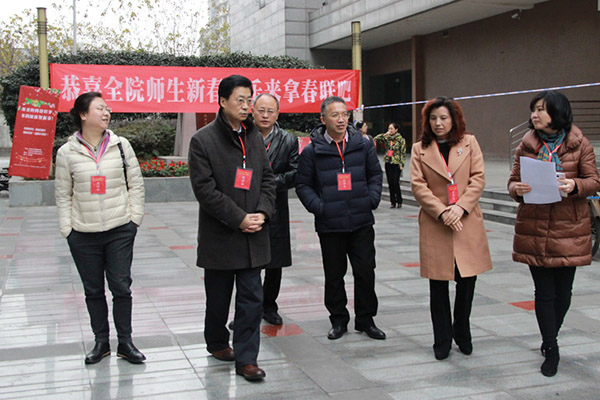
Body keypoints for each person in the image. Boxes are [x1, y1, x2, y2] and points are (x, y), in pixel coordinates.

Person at [188, 75, 276, 381]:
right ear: (222, 101)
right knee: (218, 299)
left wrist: (262, 213)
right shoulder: (203, 140)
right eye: (240, 100)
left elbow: (267, 179)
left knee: (252, 300)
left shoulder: (254, 137)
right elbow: (205, 190)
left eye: (249, 100)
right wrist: (239, 217)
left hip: (254, 237)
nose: (246, 106)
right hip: (221, 237)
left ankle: (247, 359)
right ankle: (216, 341)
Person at [508, 90, 600, 377]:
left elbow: (593, 180)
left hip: (568, 228)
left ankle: (551, 334)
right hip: (534, 226)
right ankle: (551, 346)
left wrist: (575, 186)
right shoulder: (526, 144)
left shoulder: (580, 144)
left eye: (541, 109)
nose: (534, 115)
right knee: (544, 292)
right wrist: (517, 190)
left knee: (564, 293)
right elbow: (512, 182)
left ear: (557, 113)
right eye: (534, 109)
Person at [55, 92, 146, 365]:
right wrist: (68, 230)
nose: (106, 113)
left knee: (121, 287)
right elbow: (62, 194)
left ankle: (126, 343)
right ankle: (101, 342)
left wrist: (134, 220)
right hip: (83, 234)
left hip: (119, 229)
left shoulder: (121, 146)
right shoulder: (67, 152)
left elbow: (136, 184)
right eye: (99, 109)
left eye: (107, 109)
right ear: (83, 115)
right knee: (93, 290)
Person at [296, 96, 385, 341]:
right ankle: (338, 320)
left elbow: (375, 174)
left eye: (345, 114)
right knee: (334, 276)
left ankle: (366, 320)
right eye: (335, 115)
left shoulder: (363, 145)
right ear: (323, 119)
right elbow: (303, 185)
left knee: (365, 272)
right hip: (330, 224)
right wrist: (320, 208)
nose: (341, 119)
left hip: (361, 221)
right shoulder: (312, 151)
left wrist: (371, 199)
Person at [410, 96, 492, 361]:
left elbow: (478, 178)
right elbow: (418, 186)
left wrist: (460, 207)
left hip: (465, 221)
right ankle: (442, 339)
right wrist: (443, 211)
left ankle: (462, 331)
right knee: (438, 285)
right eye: (433, 118)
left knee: (467, 281)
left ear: (454, 119)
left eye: (443, 118)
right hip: (437, 222)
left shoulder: (469, 142)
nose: (438, 123)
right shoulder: (419, 149)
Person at [252, 93, 299, 325]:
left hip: (276, 208)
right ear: (253, 111)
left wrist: (267, 182)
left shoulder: (288, 140)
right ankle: (248, 309)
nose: (265, 115)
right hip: (248, 207)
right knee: (248, 262)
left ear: (278, 114)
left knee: (274, 262)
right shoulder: (242, 135)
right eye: (261, 110)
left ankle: (269, 306)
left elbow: (294, 173)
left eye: (270, 111)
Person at [374, 122, 406, 208]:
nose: (390, 130)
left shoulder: (401, 140)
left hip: (396, 162)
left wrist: (402, 164)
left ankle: (399, 200)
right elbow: (376, 139)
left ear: (396, 130)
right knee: (390, 182)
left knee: (395, 182)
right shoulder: (387, 138)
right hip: (388, 161)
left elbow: (403, 153)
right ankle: (393, 201)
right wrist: (385, 134)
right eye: (389, 128)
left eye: (391, 129)